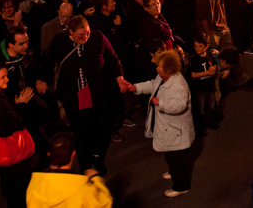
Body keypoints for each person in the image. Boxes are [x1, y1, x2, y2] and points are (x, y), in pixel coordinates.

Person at [41, 16, 129, 174]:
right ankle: (85, 164)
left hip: (96, 93)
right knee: (80, 132)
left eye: (87, 33)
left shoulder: (98, 37)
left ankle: (98, 158)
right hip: (72, 96)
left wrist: (119, 77)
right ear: (71, 33)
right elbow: (48, 61)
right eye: (81, 35)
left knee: (100, 129)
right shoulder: (60, 40)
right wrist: (42, 79)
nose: (85, 38)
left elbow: (112, 58)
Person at [125, 50, 195, 198]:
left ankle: (181, 186)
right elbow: (153, 85)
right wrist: (136, 88)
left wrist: (161, 103)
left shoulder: (179, 85)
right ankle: (173, 172)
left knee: (178, 160)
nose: (157, 68)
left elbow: (180, 105)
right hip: (168, 129)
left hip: (176, 131)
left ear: (169, 69)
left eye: (160, 66)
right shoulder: (162, 78)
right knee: (171, 155)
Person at [0, 63, 37, 208]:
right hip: (14, 162)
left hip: (8, 166)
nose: (7, 80)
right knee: (18, 196)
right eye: (3, 77)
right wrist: (22, 105)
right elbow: (10, 126)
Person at [25, 132, 113, 208]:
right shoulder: (84, 190)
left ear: (49, 154)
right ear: (73, 154)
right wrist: (96, 178)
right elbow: (106, 203)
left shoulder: (33, 186)